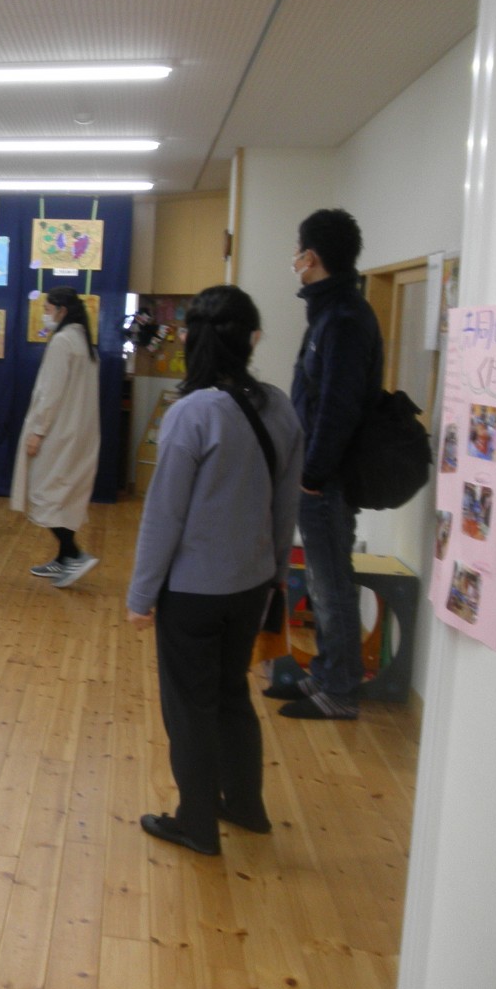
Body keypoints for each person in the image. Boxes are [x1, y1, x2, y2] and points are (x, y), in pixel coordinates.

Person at [127, 285, 303, 856]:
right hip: (252, 584)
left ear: (192, 341)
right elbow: (285, 506)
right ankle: (245, 805)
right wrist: (276, 575)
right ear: (252, 339)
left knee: (189, 708)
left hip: (194, 592)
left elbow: (164, 515)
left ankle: (196, 823)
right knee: (231, 695)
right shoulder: (280, 407)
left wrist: (141, 595)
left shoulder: (192, 413)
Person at [271, 208, 384, 720]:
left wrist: (313, 474)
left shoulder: (344, 319)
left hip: (328, 478)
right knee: (320, 579)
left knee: (331, 580)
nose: (295, 261)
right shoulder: (331, 312)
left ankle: (339, 689)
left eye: (298, 252)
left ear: (311, 257)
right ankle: (325, 674)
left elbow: (338, 407)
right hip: (318, 473)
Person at [10, 286, 101, 588]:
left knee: (46, 494)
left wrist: (38, 431)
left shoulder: (63, 341)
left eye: (48, 310)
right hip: (77, 432)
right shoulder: (83, 341)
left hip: (58, 432)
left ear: (62, 311)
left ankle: (74, 553)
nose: (45, 316)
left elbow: (50, 393)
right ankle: (63, 557)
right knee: (64, 495)